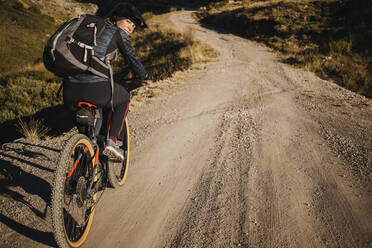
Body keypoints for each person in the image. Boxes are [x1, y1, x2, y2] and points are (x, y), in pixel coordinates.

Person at [63, 2, 151, 160]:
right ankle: (112, 141)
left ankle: (80, 164)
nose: (130, 28)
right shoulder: (117, 32)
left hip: (69, 88)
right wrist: (144, 75)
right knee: (123, 98)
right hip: (94, 88)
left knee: (86, 133)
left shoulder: (90, 30)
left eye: (133, 26)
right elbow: (132, 59)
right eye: (128, 22)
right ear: (116, 19)